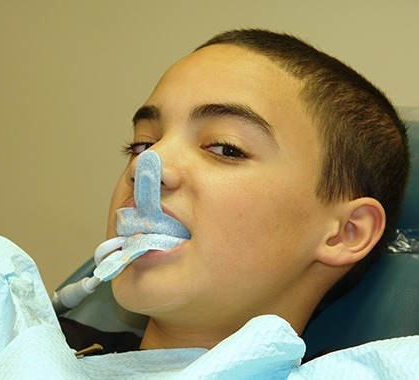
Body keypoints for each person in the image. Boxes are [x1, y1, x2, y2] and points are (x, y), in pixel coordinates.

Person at [83, 28, 409, 351]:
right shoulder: (41, 344)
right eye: (142, 144)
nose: (147, 168)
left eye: (226, 148)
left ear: (345, 232)